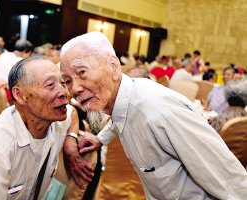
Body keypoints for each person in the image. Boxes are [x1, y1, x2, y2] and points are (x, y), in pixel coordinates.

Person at [60, 31, 247, 199]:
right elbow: (120, 117)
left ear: (114, 66)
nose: (74, 88)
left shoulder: (159, 112)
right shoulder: (121, 101)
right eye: (67, 80)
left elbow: (231, 182)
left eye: (82, 72)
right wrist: (100, 139)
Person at [0, 55, 79, 199]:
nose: (65, 93)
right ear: (20, 95)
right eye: (50, 85)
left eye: (63, 83)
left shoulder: (56, 119)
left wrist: (71, 138)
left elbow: (73, 113)